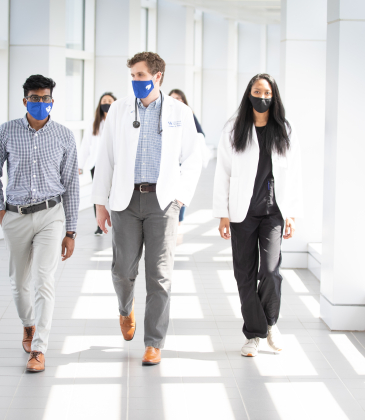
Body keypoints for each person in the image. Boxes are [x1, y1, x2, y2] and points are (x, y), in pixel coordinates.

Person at [92, 52, 202, 366]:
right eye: (133, 76)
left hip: (162, 202)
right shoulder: (118, 110)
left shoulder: (179, 112)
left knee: (160, 275)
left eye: (141, 75)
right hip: (125, 202)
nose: (136, 81)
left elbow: (194, 158)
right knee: (123, 271)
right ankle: (125, 310)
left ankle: (154, 342)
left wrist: (180, 199)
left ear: (158, 77)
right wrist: (100, 204)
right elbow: (107, 158)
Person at [0, 74, 79, 372]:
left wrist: (71, 230)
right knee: (19, 283)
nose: (41, 103)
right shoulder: (7, 131)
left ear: (52, 101)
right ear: (25, 100)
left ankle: (39, 348)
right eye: (35, 98)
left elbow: (70, 185)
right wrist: (1, 211)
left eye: (45, 98)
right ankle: (28, 324)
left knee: (44, 281)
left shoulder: (64, 135)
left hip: (52, 215)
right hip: (15, 215)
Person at [213, 73, 303, 357]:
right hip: (242, 213)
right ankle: (254, 333)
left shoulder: (284, 129)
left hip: (273, 212)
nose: (261, 97)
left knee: (271, 271)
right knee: (245, 273)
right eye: (257, 91)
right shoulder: (234, 128)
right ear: (248, 93)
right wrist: (222, 214)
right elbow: (222, 172)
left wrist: (292, 213)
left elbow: (295, 174)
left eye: (267, 93)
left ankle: (270, 324)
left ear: (273, 96)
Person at [169, 89, 210, 224]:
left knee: (181, 190)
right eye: (173, 98)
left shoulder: (189, 114)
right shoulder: (165, 114)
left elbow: (200, 134)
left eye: (179, 98)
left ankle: (179, 219)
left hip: (184, 159)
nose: (176, 101)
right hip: (170, 161)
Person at [78, 92, 117, 235]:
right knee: (98, 196)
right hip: (96, 165)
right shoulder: (94, 123)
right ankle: (99, 225)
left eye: (110, 101)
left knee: (114, 194)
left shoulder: (118, 121)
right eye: (104, 101)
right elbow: (85, 145)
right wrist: (80, 165)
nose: (106, 103)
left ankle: (116, 222)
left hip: (114, 164)